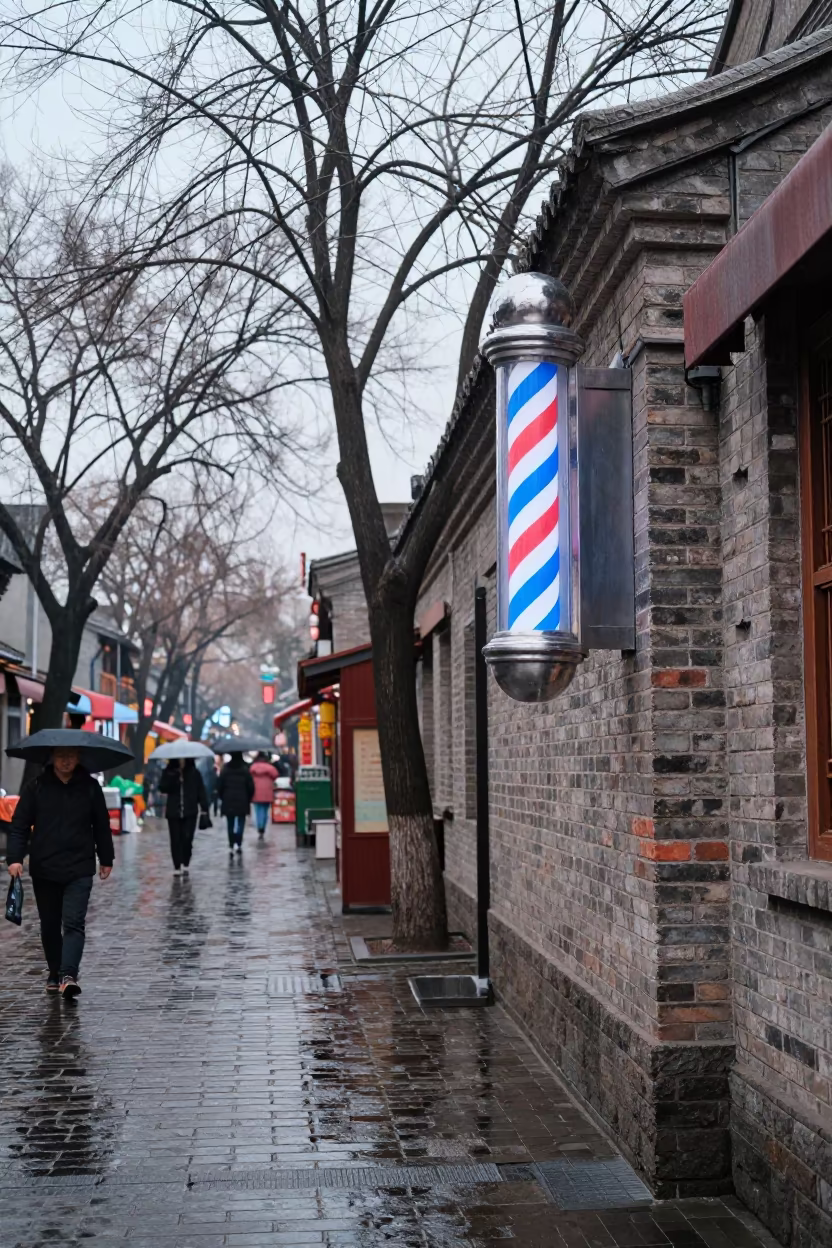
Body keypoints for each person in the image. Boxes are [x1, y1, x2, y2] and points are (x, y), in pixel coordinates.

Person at [6, 746, 114, 999]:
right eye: (62, 756)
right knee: (50, 924)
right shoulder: (37, 786)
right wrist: (15, 858)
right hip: (45, 866)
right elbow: (20, 825)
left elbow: (101, 824)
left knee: (74, 922)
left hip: (80, 866)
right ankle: (54, 971)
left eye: (72, 756)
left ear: (78, 758)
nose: (67, 761)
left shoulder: (89, 787)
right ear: (52, 758)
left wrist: (106, 858)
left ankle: (68, 975)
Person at [158, 758, 209, 876]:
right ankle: (176, 865)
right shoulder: (169, 771)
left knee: (187, 838)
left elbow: (200, 790)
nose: (181, 761)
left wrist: (204, 808)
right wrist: (174, 778)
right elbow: (162, 787)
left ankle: (185, 862)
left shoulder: (194, 772)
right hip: (173, 812)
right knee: (175, 839)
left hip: (190, 811)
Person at [217, 752, 254, 855]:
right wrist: (249, 798)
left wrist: (222, 796)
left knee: (230, 823)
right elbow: (251, 786)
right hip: (242, 799)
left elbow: (220, 785)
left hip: (228, 799)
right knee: (241, 822)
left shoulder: (225, 769)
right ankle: (238, 842)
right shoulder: (245, 769)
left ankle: (231, 843)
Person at [249, 752, 278, 840]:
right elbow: (276, 775)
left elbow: (249, 776)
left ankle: (259, 826)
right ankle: (263, 828)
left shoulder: (253, 767)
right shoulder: (270, 768)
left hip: (256, 790)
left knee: (258, 810)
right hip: (267, 791)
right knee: (265, 810)